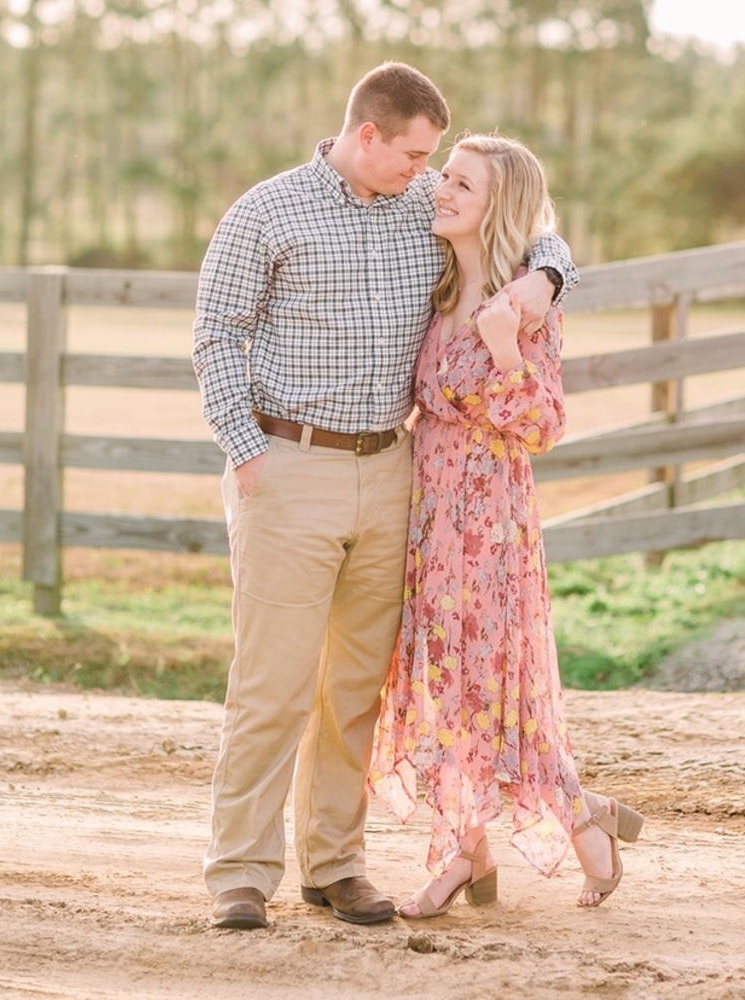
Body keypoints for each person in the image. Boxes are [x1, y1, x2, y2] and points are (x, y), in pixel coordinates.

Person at [191, 62, 578, 930]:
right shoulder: (268, 210)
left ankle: (334, 864)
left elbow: (532, 225)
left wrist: (548, 275)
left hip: (392, 471)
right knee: (273, 683)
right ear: (367, 136)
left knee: (357, 688)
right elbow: (216, 334)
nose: (427, 173)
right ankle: (241, 875)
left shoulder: (422, 210)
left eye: (436, 162)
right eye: (414, 155)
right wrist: (247, 451)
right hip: (288, 465)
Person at [368, 132, 644, 919]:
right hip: (428, 517)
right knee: (442, 687)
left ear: (498, 207)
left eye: (461, 184)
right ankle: (472, 850)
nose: (441, 190)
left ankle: (572, 819)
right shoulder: (441, 280)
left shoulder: (523, 303)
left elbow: (545, 424)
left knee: (497, 685)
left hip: (491, 523)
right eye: (444, 176)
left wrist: (502, 343)